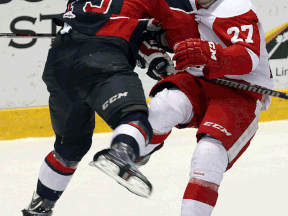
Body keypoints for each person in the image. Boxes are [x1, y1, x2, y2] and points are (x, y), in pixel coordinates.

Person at [21, 0, 196, 215]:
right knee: (134, 117)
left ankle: (39, 207)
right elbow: (179, 22)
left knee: (70, 147)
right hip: (102, 57)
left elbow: (113, 23)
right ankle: (122, 152)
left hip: (59, 61)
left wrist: (149, 50)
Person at [139, 0, 274, 215]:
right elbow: (147, 27)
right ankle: (136, 150)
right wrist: (148, 46)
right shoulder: (179, 5)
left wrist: (215, 56)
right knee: (163, 106)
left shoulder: (236, 6)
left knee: (209, 154)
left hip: (241, 91)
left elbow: (248, 56)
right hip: (199, 80)